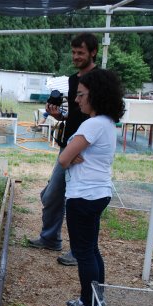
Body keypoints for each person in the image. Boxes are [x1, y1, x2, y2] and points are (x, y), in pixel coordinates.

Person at [57, 69, 125, 306]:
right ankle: (96, 299)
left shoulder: (93, 124)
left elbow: (63, 159)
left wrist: (70, 157)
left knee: (83, 252)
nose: (76, 100)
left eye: (81, 95)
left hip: (83, 196)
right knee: (91, 249)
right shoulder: (107, 123)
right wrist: (72, 157)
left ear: (95, 95)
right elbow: (70, 157)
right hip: (98, 192)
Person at [28, 33, 99, 266]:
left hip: (86, 150)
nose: (76, 56)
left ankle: (79, 251)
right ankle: (50, 238)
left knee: (80, 203)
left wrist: (85, 147)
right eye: (74, 52)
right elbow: (76, 114)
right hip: (68, 145)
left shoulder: (100, 79)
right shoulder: (71, 80)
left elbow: (103, 115)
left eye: (81, 52)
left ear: (93, 52)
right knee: (52, 194)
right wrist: (60, 115)